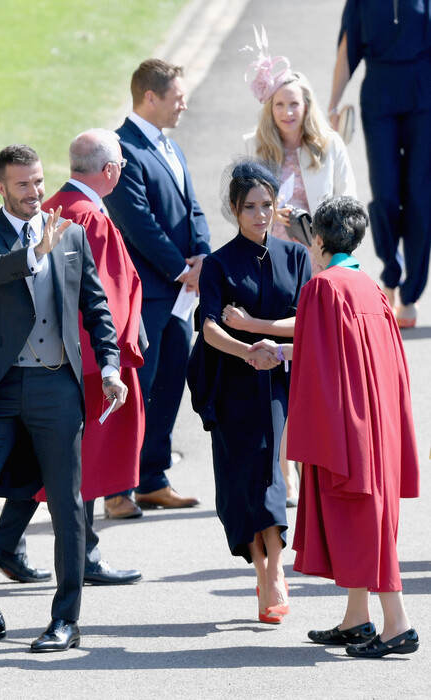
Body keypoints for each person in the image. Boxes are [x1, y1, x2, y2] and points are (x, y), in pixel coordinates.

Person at [0, 144, 127, 653]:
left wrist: (109, 365)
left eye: (39, 182)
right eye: (22, 184)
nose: (34, 192)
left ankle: (65, 619)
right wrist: (36, 251)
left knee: (67, 506)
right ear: (1, 186)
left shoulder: (73, 236)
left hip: (54, 386)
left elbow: (96, 307)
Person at [256, 195, 420, 657]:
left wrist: (276, 351)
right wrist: (285, 349)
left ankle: (398, 625)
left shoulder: (323, 288)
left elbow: (319, 363)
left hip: (351, 428)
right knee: (369, 522)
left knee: (362, 522)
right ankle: (357, 620)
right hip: (381, 424)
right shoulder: (370, 288)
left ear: (322, 239)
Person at [0, 129, 146, 587]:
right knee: (77, 463)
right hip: (82, 365)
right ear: (111, 170)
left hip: (52, 359)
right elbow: (105, 298)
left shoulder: (57, 209)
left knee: (50, 462)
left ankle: (8, 546)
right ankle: (85, 555)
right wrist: (112, 362)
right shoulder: (86, 219)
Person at [189, 159, 311, 623]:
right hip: (229, 381)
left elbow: (304, 322)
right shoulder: (219, 263)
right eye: (250, 207)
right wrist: (246, 350)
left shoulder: (296, 257)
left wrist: (264, 339)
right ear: (235, 211)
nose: (260, 214)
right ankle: (260, 567)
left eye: (267, 204)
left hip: (277, 379)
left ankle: (275, 570)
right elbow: (210, 328)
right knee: (238, 478)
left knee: (267, 467)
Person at [242, 26, 356, 504]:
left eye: (296, 104)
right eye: (280, 104)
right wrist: (270, 218)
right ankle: (281, 472)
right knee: (274, 370)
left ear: (307, 106)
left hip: (317, 267)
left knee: (315, 370)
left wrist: (312, 228)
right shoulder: (257, 148)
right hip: (272, 265)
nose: (288, 112)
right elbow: (240, 206)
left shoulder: (328, 146)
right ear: (269, 108)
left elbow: (348, 208)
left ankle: (316, 465)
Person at [105, 58, 211, 509]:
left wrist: (204, 256)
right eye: (177, 97)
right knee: (137, 390)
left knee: (170, 385)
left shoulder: (169, 145)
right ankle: (116, 489)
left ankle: (151, 478)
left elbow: (193, 207)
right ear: (150, 97)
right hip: (147, 295)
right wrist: (181, 268)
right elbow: (137, 224)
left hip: (180, 295)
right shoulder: (121, 148)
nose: (183, 104)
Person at [328, 1, 431, 328]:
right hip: (379, 96)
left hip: (425, 95)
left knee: (419, 196)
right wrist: (332, 106)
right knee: (385, 195)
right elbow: (347, 50)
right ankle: (391, 269)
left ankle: (410, 294)